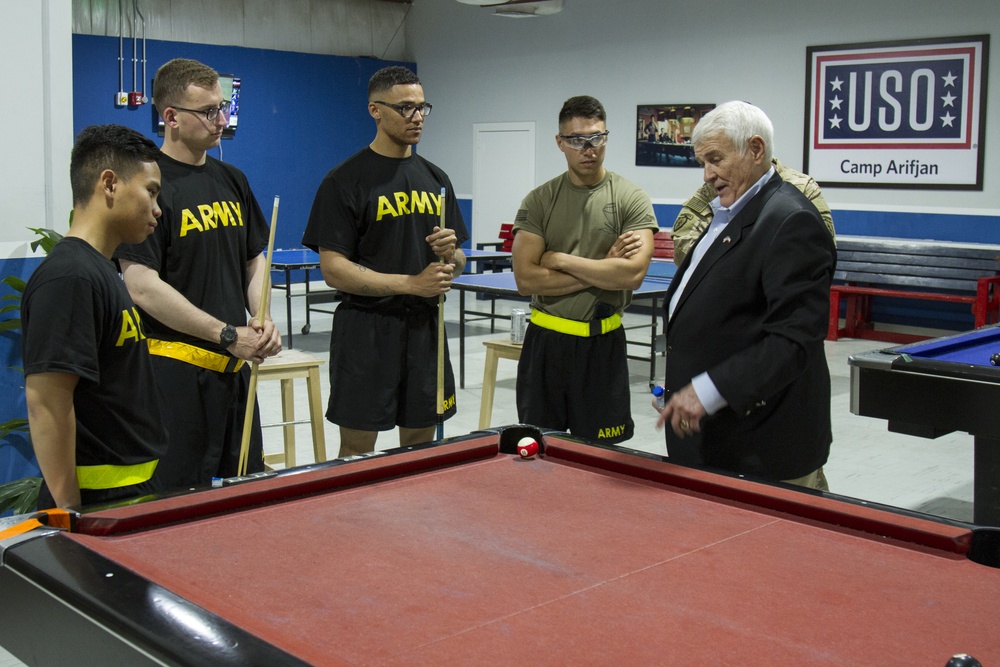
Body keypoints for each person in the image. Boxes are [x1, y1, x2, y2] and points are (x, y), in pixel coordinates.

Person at [115, 58, 281, 489]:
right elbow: (141, 286)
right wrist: (226, 333)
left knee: (245, 496)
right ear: (170, 117)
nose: (221, 120)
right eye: (208, 111)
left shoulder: (233, 179)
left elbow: (252, 259)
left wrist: (260, 315)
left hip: (234, 370)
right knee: (176, 502)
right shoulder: (147, 185)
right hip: (173, 374)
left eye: (222, 107)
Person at [655, 101, 836, 489]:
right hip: (717, 440)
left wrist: (706, 391)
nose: (707, 175)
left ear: (756, 149)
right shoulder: (726, 212)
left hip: (765, 449)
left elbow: (794, 340)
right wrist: (682, 388)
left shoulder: (790, 220)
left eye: (716, 159)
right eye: (702, 162)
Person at [302, 65, 468, 457]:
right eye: (405, 108)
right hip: (367, 330)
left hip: (426, 329)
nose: (417, 118)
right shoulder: (344, 181)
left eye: (422, 107)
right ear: (375, 110)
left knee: (420, 444)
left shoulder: (436, 178)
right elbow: (333, 269)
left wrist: (452, 256)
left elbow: (457, 261)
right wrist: (410, 284)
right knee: (358, 447)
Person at [22, 125, 168, 509]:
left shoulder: (102, 270)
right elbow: (47, 402)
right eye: (150, 191)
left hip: (129, 491)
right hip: (97, 501)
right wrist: (68, 512)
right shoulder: (69, 276)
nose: (158, 209)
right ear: (109, 184)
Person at [512, 95, 659, 445]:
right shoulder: (539, 200)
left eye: (597, 137)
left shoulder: (631, 198)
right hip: (545, 346)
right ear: (560, 142)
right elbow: (525, 279)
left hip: (603, 346)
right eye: (577, 139)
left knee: (601, 458)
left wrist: (560, 259)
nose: (588, 148)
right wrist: (603, 266)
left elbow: (631, 275)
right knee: (538, 449)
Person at [672, 157, 835, 265]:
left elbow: (821, 253)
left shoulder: (802, 188)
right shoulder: (712, 189)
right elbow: (683, 247)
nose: (707, 175)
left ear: (756, 149)